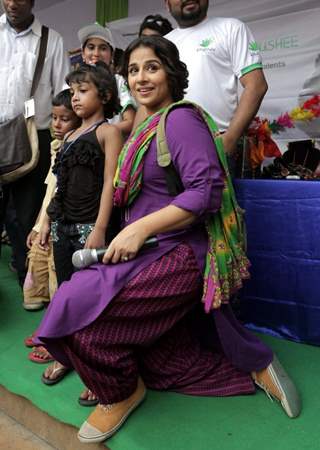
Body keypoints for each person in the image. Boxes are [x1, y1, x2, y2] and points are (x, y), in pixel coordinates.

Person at [35, 36, 301, 445]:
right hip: (143, 252)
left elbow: (204, 192)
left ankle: (120, 392)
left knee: (83, 318)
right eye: (135, 69)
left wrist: (141, 228)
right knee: (119, 335)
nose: (141, 77)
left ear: (171, 74)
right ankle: (123, 380)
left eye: (152, 67)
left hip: (177, 253)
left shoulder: (180, 120)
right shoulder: (140, 124)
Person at [39, 63, 122, 406]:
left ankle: (94, 364)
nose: (75, 98)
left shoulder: (108, 132)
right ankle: (66, 353)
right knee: (66, 290)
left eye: (82, 91)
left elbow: (110, 183)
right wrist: (45, 221)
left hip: (91, 227)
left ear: (104, 95)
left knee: (92, 296)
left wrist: (101, 228)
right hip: (62, 224)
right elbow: (57, 185)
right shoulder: (68, 137)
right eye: (72, 92)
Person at [0, 0, 70, 286]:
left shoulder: (51, 40)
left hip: (34, 137)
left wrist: (63, 134)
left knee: (26, 212)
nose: (12, 4)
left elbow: (63, 90)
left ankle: (27, 274)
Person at [164, 0, 268, 157]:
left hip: (215, 142)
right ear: (167, 3)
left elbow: (256, 86)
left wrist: (230, 138)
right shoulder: (163, 44)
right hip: (168, 145)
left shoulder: (231, 28)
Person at [23, 89, 81, 364]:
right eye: (54, 118)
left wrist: (48, 222)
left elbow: (63, 193)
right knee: (43, 272)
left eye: (64, 119)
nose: (56, 125)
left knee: (61, 280)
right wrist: (38, 223)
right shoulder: (57, 146)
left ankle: (58, 339)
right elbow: (50, 188)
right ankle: (50, 327)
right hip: (49, 220)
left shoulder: (79, 147)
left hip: (65, 224)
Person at [78, 23, 136, 137]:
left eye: (103, 48)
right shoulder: (71, 84)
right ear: (83, 54)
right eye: (91, 47)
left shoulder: (118, 82)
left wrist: (97, 135)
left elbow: (130, 122)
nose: (96, 53)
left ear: (112, 55)